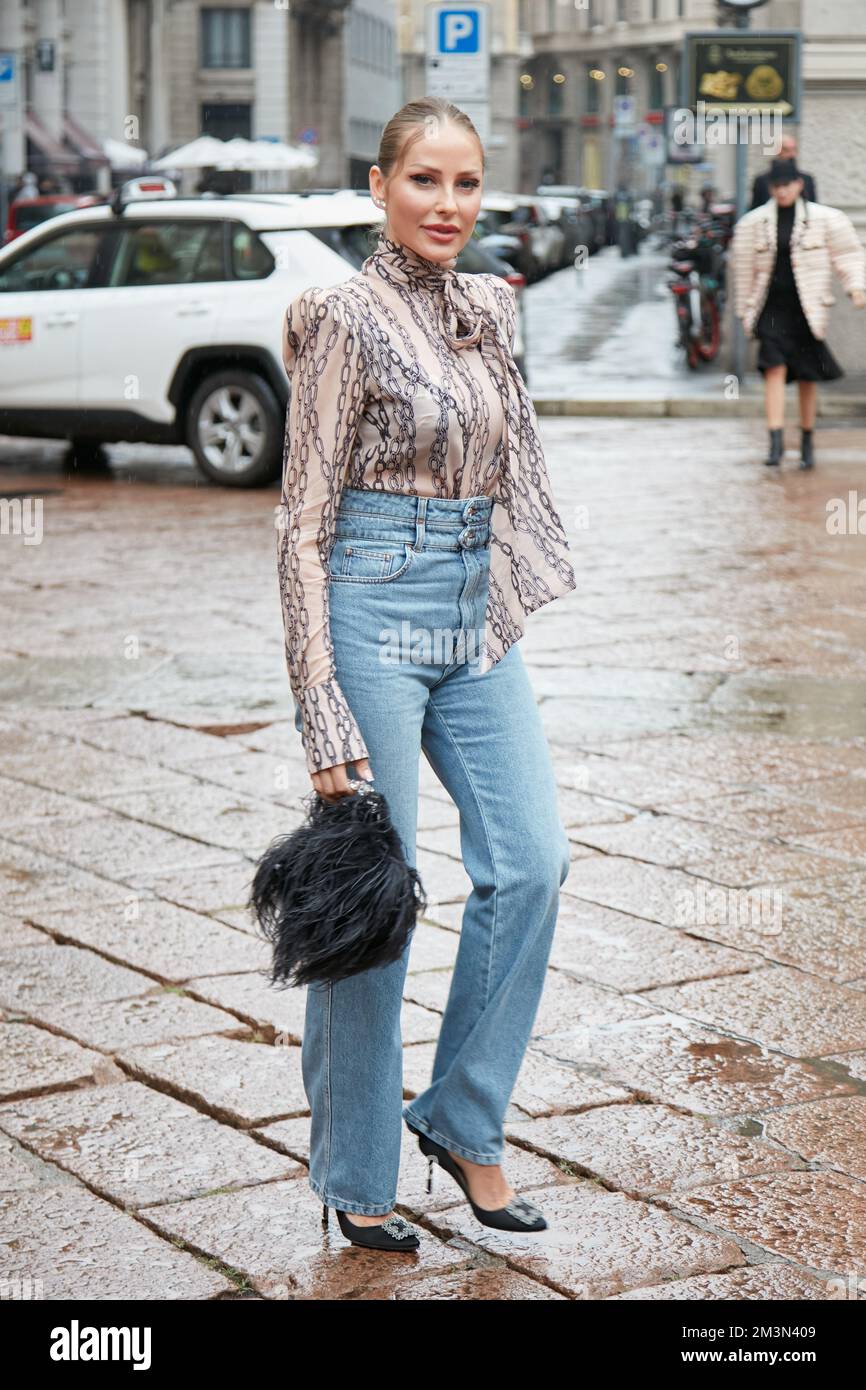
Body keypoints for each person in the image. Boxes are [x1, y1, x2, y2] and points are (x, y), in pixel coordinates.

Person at [277, 96, 576, 1252]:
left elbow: (508, 457)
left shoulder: (492, 308)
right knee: (371, 904)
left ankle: (460, 1115)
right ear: (379, 184)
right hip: (365, 603)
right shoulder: (343, 319)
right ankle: (355, 1171)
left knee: (533, 861)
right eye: (425, 182)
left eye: (465, 184)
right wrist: (319, 699)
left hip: (471, 613)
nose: (447, 205)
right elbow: (300, 520)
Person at [732, 157, 866, 467]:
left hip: (807, 308)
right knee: (773, 368)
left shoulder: (826, 219)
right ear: (770, 188)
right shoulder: (752, 223)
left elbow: (848, 254)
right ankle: (775, 441)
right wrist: (743, 312)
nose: (782, 192)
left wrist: (856, 287)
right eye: (776, 186)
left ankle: (806, 439)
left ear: (799, 185)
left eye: (787, 185)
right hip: (771, 308)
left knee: (808, 374)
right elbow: (743, 271)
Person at [750, 132, 816, 210]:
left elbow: (812, 207)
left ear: (799, 185)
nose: (792, 154)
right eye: (786, 150)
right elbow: (756, 208)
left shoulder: (807, 179)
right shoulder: (761, 181)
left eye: (794, 149)